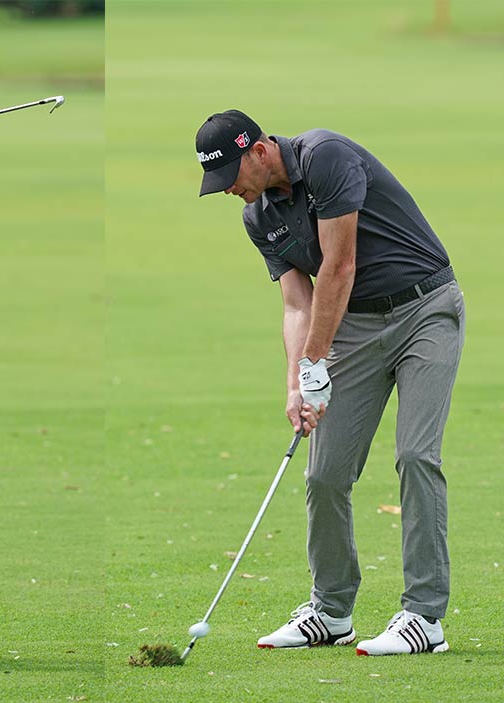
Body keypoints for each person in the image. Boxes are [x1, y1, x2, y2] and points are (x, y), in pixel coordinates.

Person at [195, 110, 465, 656]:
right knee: (324, 472)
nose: (230, 191)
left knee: (415, 455)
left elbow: (339, 266)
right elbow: (298, 302)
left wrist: (318, 359)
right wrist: (298, 381)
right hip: (355, 326)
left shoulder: (326, 157)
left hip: (426, 308)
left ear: (259, 151)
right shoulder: (258, 218)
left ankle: (424, 615)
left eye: (231, 177)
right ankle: (331, 609)